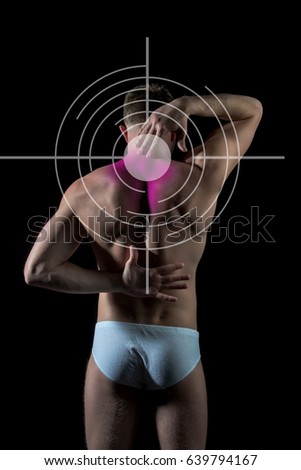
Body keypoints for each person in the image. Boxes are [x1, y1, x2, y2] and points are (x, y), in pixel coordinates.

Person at [24, 83, 262, 449]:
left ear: (123, 130)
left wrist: (119, 282)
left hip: (112, 340)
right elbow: (252, 109)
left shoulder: (84, 190)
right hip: (177, 341)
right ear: (177, 129)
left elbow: (37, 271)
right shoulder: (201, 175)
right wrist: (187, 104)